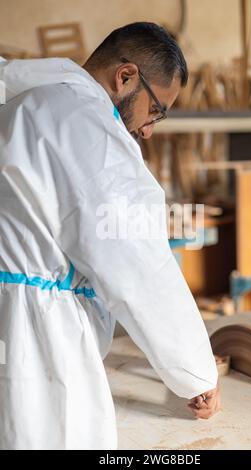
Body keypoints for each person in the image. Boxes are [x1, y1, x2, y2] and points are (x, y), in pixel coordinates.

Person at [0, 22, 220, 450]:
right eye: (156, 109)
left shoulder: (24, 103)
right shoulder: (83, 121)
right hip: (37, 342)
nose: (150, 129)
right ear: (125, 77)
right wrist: (194, 372)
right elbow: (137, 263)